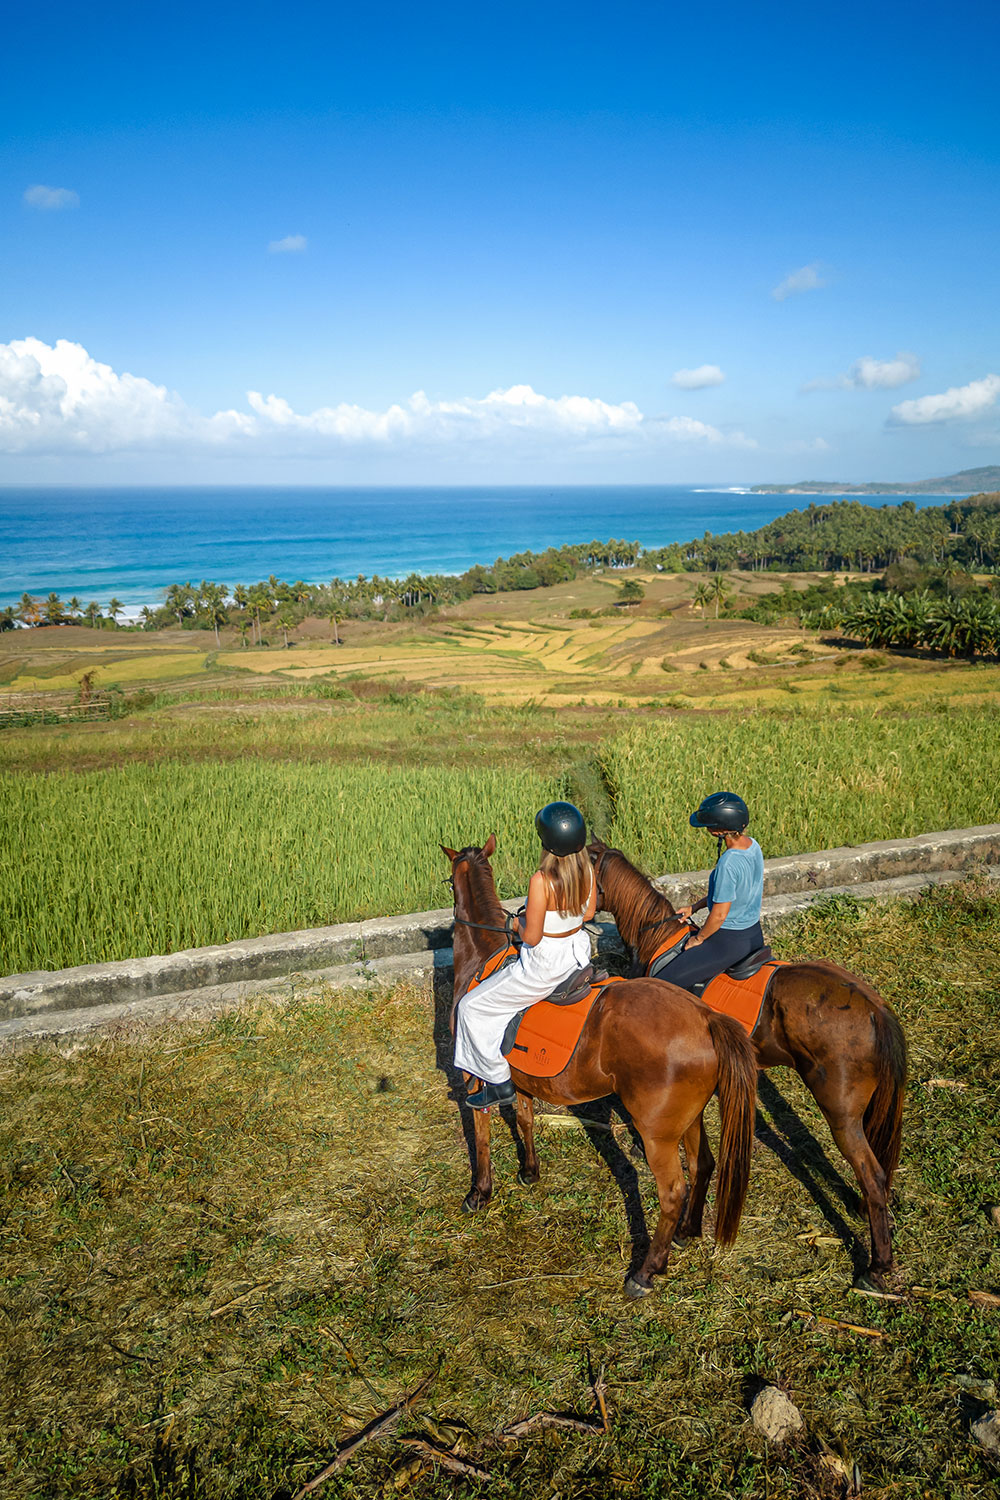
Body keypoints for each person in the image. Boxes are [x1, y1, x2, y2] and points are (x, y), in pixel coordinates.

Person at [454, 801, 597, 1109]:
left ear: (546, 843)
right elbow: (588, 914)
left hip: (544, 968)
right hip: (577, 956)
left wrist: (516, 923)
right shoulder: (587, 868)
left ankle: (498, 1081)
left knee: (470, 1008)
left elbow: (531, 937)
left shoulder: (541, 880)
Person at [664, 792, 765, 994]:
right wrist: (694, 907)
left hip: (729, 942)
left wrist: (698, 939)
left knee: (660, 984)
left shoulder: (728, 863)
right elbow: (732, 895)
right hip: (753, 934)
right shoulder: (753, 845)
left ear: (719, 830)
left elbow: (719, 916)